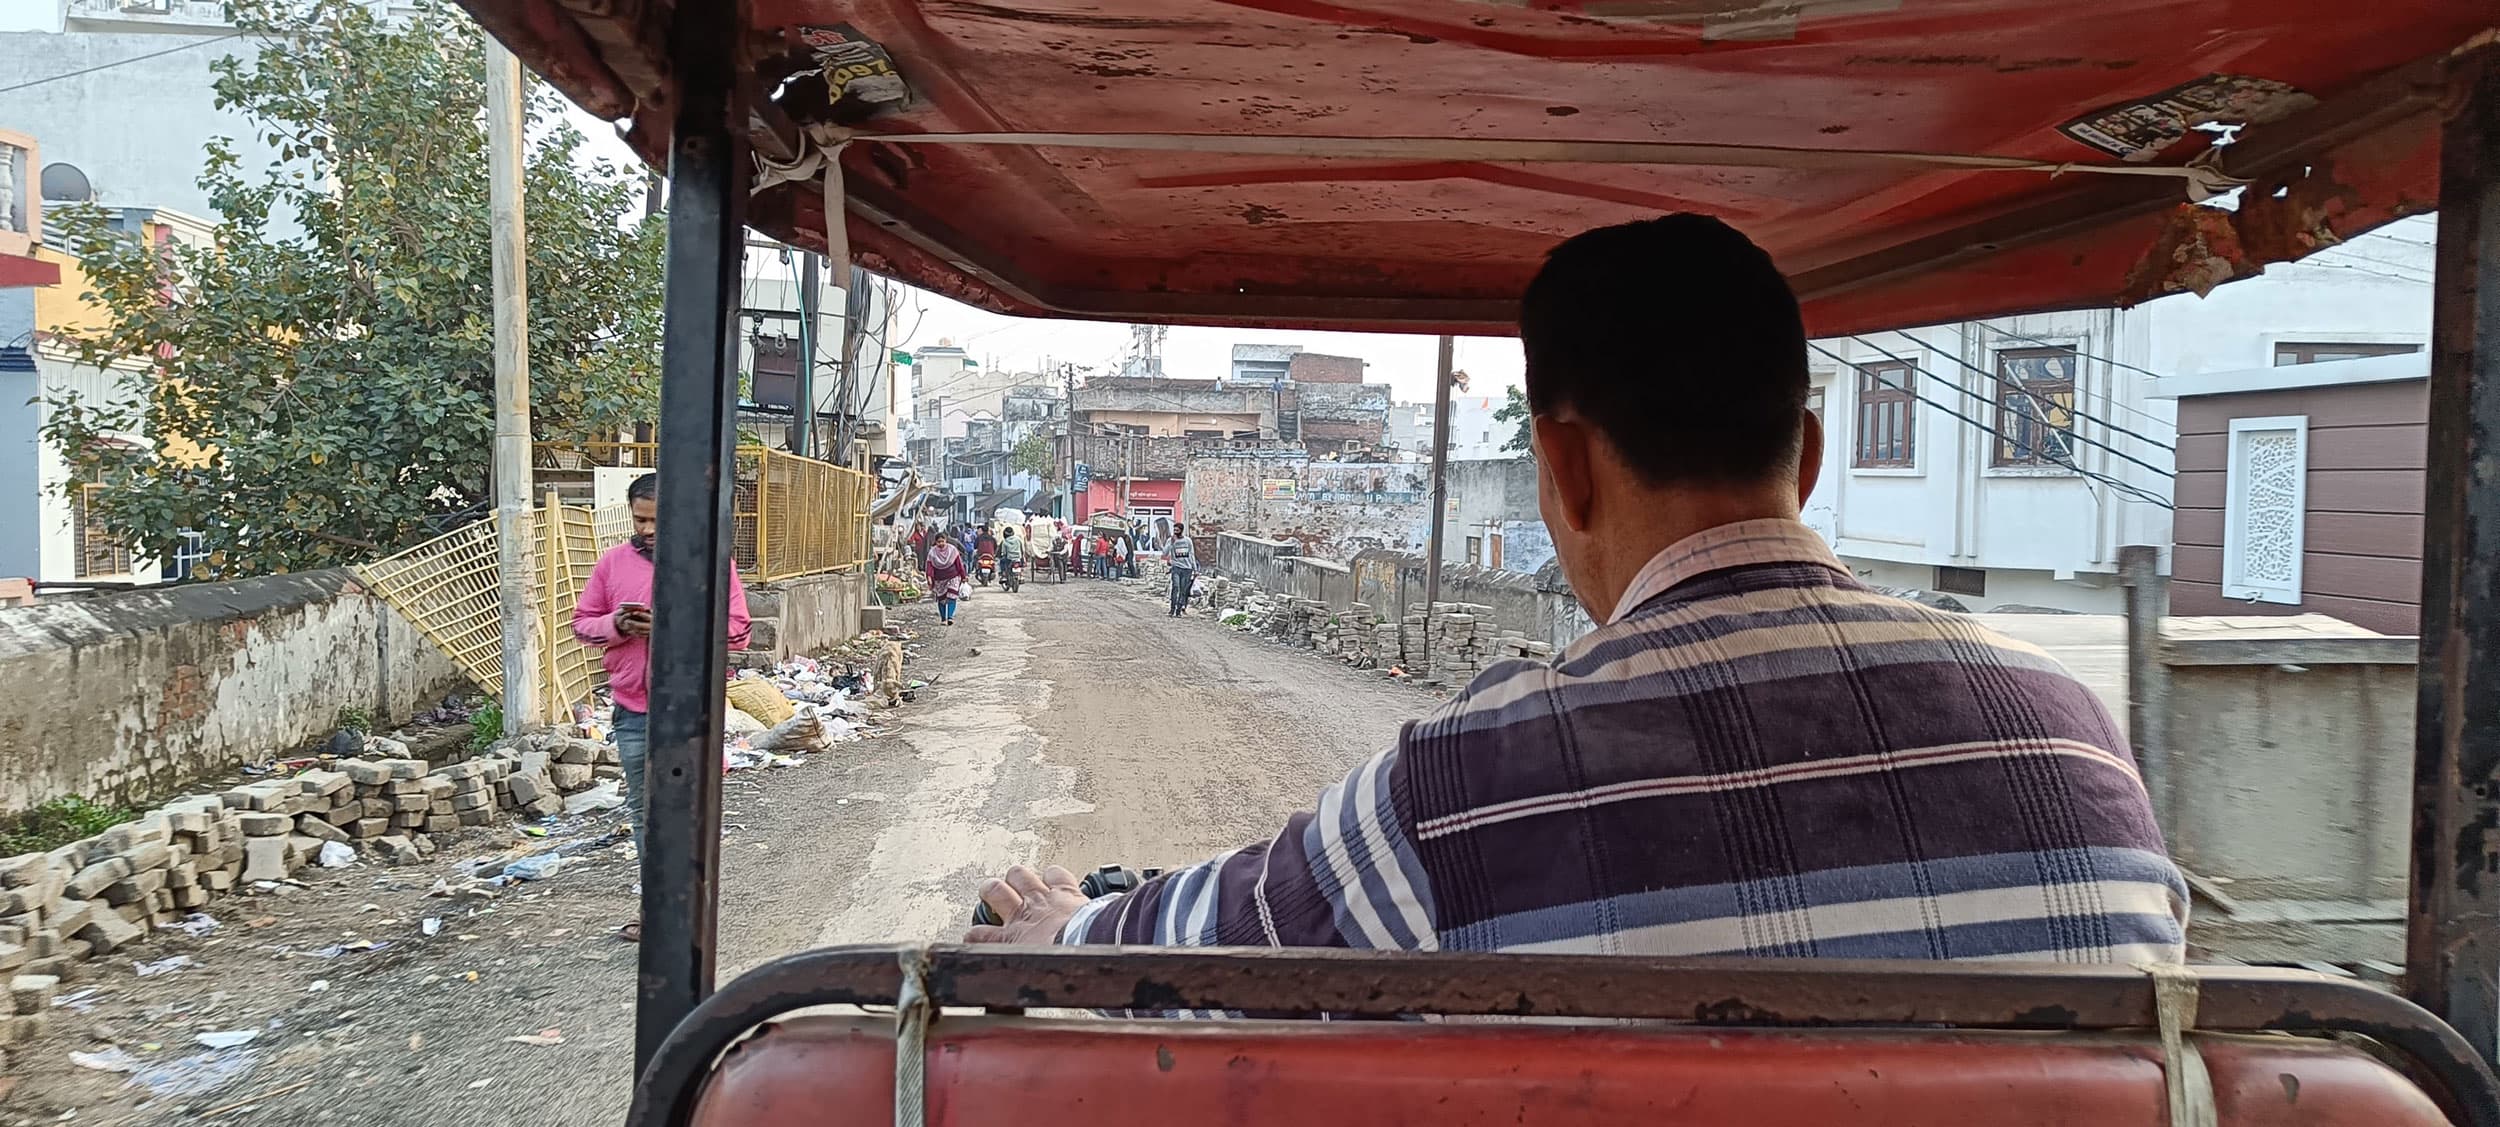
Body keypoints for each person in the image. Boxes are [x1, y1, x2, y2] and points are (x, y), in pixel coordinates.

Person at [970, 214, 2185, 966]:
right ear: (1806, 458)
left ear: (1560, 463)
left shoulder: (1472, 780)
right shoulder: (2073, 738)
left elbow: (1242, 931)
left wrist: (1069, 922)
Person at [573, 472, 750, 943]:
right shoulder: (612, 564)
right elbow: (582, 624)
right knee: (644, 813)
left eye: (656, 520)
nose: (647, 529)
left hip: (692, 710)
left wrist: (674, 627)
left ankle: (691, 907)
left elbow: (738, 631)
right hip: (633, 711)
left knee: (690, 810)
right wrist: (618, 624)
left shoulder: (710, 564)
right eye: (640, 520)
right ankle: (655, 909)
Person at [926, 529, 970, 626]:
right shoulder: (932, 553)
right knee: (942, 599)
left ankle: (950, 617)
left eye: (943, 541)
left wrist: (963, 575)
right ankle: (943, 618)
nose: (941, 544)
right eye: (939, 542)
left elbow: (959, 564)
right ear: (935, 542)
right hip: (939, 579)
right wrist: (929, 577)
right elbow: (929, 566)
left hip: (953, 576)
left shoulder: (952, 550)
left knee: (952, 596)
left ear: (946, 541)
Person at [1165, 521, 1195, 617]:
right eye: (1174, 530)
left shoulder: (1187, 541)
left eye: (1177, 530)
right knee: (1175, 587)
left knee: (1183, 590)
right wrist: (1171, 543)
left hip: (1187, 569)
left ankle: (1178, 610)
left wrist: (1195, 568)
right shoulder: (1171, 540)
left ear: (1181, 531)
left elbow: (1191, 554)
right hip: (1176, 567)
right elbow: (1165, 553)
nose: (1175, 532)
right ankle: (1172, 609)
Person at [999, 523, 1025, 588]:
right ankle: (1021, 575)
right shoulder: (1018, 539)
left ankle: (1004, 575)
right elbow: (1022, 549)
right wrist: (1022, 556)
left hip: (1009, 558)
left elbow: (1003, 552)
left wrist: (1002, 555)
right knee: (1021, 566)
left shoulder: (1004, 541)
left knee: (1002, 562)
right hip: (1018, 558)